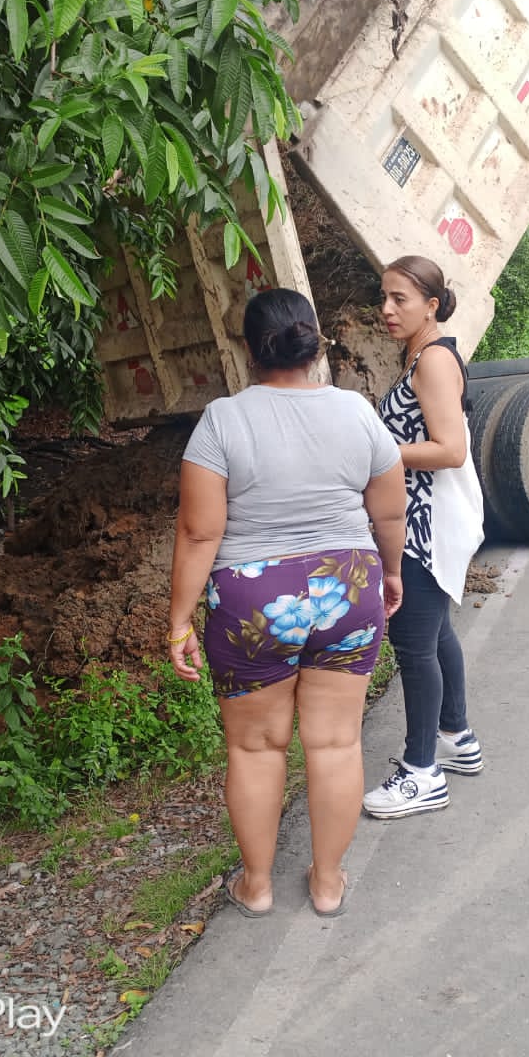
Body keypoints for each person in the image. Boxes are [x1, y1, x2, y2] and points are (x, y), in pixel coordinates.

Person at [168, 288, 407, 918]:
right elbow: (389, 511)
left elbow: (199, 533)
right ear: (315, 343)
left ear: (250, 350)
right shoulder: (357, 413)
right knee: (335, 744)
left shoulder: (222, 420)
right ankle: (327, 883)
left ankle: (257, 885)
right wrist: (390, 573)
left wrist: (179, 620)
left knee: (255, 748)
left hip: (252, 598)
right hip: (347, 586)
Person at [362, 254, 485, 820]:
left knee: (414, 646)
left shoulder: (433, 360)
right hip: (425, 520)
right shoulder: (420, 353)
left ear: (431, 306)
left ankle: (421, 773)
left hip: (425, 526)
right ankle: (455, 739)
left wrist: (377, 452)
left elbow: (450, 450)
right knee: (436, 635)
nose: (387, 309)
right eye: (383, 297)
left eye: (400, 299)